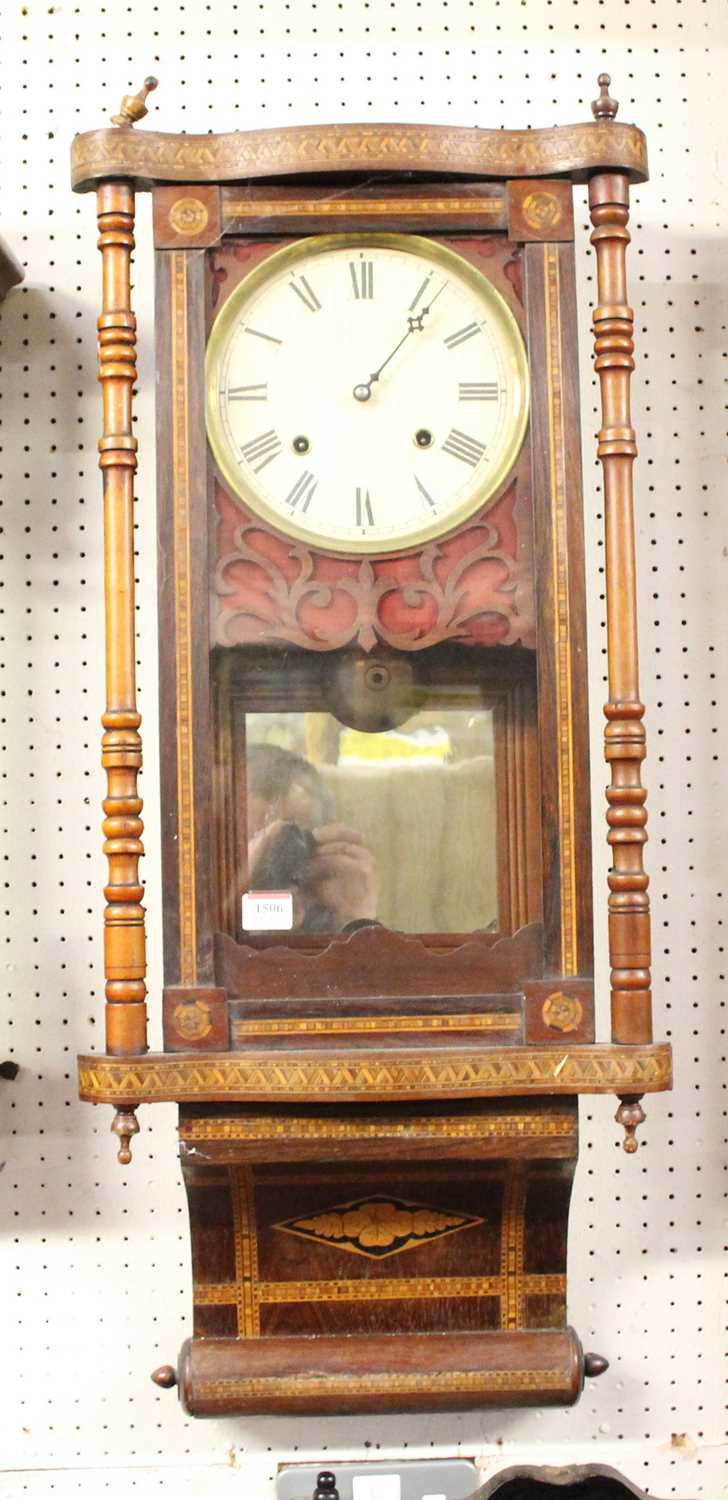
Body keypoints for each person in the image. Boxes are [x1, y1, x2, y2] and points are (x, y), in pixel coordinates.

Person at [246, 743, 378, 934]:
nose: (275, 866)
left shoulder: (326, 900)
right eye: (250, 843)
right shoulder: (197, 916)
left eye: (292, 843)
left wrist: (356, 920)